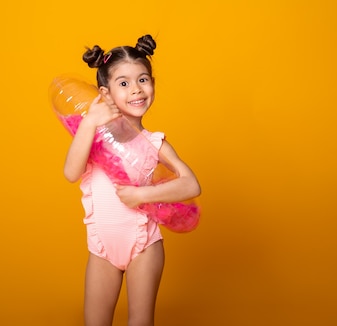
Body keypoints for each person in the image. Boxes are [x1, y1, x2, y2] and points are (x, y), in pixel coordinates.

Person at [63, 34, 201, 326]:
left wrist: (142, 196)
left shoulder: (154, 143)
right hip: (102, 248)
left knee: (140, 322)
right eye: (123, 83)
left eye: (143, 80)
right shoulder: (94, 137)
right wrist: (89, 121)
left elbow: (191, 185)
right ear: (105, 94)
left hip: (143, 246)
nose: (136, 90)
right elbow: (71, 173)